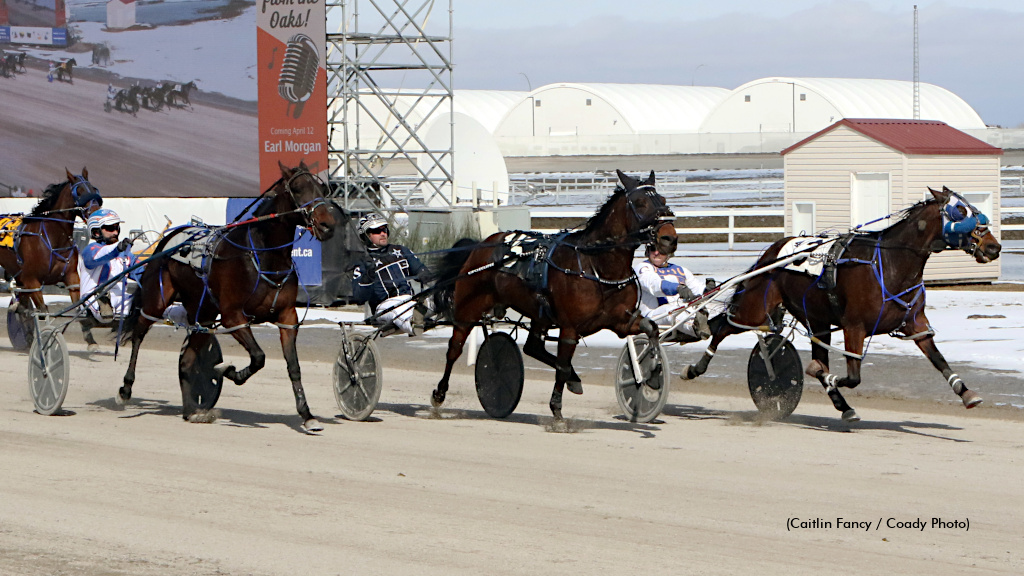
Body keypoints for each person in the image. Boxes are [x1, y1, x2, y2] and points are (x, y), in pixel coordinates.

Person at [351, 213, 432, 336]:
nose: (383, 234)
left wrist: (424, 275)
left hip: (410, 300)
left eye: (384, 229)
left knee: (442, 296)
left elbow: (421, 270)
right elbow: (359, 297)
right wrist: (368, 275)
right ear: (365, 236)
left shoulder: (400, 250)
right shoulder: (362, 262)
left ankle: (419, 315)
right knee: (398, 310)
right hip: (384, 307)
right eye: (377, 231)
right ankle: (415, 323)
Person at [634, 244, 713, 343]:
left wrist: (708, 290)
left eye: (661, 250)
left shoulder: (681, 270)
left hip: (679, 310)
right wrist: (677, 288)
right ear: (648, 251)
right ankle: (695, 328)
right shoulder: (643, 267)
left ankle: (712, 324)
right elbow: (653, 284)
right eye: (653, 249)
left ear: (669, 252)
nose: (656, 253)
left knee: (709, 306)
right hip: (652, 316)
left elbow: (697, 288)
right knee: (672, 312)